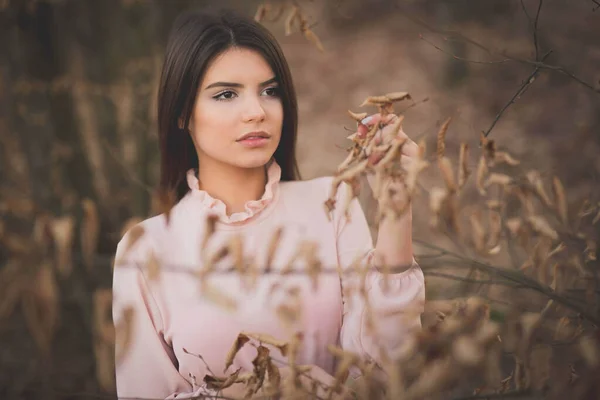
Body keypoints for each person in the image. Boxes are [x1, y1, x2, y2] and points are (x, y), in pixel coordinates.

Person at [112, 7, 425, 399]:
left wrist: (397, 212)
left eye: (269, 91)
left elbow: (390, 370)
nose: (256, 112)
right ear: (181, 112)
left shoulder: (332, 203)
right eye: (226, 94)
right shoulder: (145, 250)